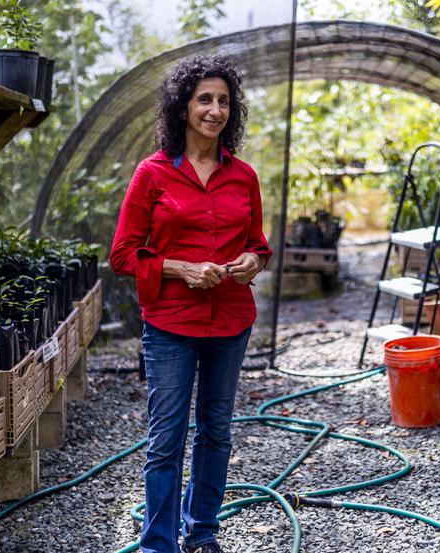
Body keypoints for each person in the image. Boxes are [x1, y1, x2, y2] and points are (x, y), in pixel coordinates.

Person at [109, 55, 272, 553]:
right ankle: (158, 542)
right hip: (171, 324)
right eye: (205, 99)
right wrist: (181, 268)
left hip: (230, 320)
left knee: (217, 431)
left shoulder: (242, 176)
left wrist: (252, 262)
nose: (215, 110)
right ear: (183, 107)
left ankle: (203, 532)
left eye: (224, 101)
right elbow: (121, 254)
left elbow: (259, 245)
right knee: (166, 439)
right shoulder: (153, 174)